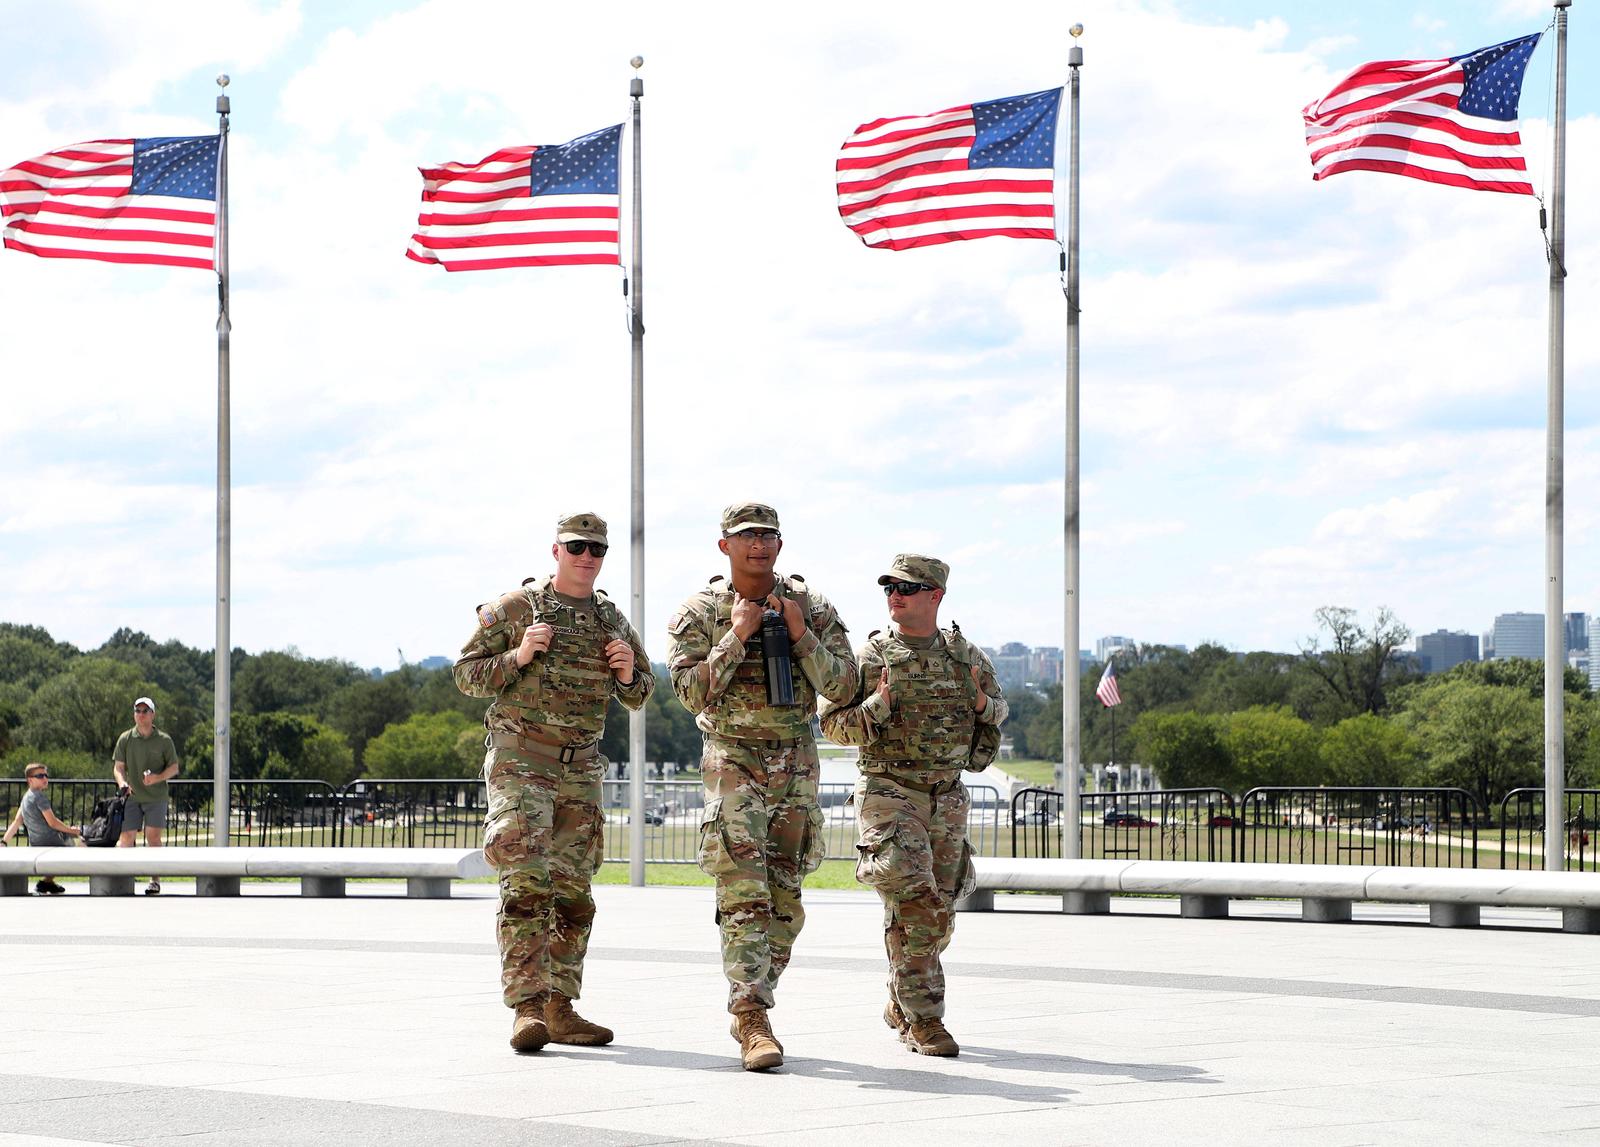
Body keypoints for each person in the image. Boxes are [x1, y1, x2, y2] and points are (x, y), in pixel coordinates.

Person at [666, 502, 859, 1071]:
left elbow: (846, 686)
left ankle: (757, 992)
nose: (759, 544)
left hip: (796, 763)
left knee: (786, 897)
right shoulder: (702, 612)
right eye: (746, 536)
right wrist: (735, 636)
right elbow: (690, 692)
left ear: (780, 544)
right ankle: (751, 1014)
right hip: (733, 760)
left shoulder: (811, 607)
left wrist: (800, 636)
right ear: (723, 546)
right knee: (743, 888)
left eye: (768, 535)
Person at [454, 511, 654, 1053]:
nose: (587, 557)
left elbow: (642, 694)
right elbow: (466, 674)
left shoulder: (610, 619)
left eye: (596, 550)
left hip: (580, 768)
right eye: (577, 547)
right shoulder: (517, 609)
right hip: (522, 759)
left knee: (573, 894)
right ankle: (526, 1010)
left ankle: (559, 1008)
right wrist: (518, 655)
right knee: (526, 883)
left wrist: (629, 671)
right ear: (556, 550)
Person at [818, 554, 1007, 1058]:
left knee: (940, 912)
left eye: (906, 587)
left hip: (946, 796)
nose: (894, 595)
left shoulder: (965, 656)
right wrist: (877, 704)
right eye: (888, 587)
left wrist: (983, 704)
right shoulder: (871, 657)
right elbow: (833, 726)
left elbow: (998, 711)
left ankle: (901, 997)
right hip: (889, 792)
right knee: (916, 905)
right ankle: (926, 1021)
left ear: (935, 595)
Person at [112, 696, 179, 895]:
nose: (141, 715)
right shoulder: (125, 738)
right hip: (132, 797)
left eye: (145, 711)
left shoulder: (164, 740)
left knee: (153, 837)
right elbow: (118, 768)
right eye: (137, 711)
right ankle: (123, 877)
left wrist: (157, 777)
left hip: (156, 797)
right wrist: (122, 783)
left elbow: (174, 768)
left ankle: (154, 880)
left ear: (153, 714)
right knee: (126, 837)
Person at [1, 762, 84, 893]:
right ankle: (46, 882)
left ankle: (47, 883)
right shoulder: (39, 797)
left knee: (73, 837)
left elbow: (17, 822)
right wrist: (72, 830)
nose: (45, 778)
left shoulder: (26, 797)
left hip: (36, 843)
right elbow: (53, 823)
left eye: (46, 775)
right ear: (30, 780)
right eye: (40, 776)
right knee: (86, 842)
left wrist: (4, 842)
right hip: (53, 841)